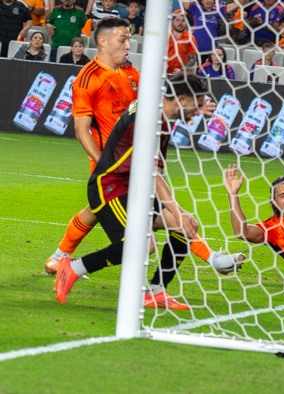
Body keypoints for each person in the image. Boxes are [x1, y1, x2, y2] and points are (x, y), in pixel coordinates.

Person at [54, 74, 246, 308]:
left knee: (183, 227)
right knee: (145, 244)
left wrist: (178, 212)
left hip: (134, 186)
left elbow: (153, 171)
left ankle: (156, 291)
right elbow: (151, 171)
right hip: (110, 187)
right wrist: (176, 208)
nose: (198, 113)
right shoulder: (151, 121)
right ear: (181, 99)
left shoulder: (160, 112)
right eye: (196, 105)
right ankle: (72, 267)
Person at [44, 17, 139, 275]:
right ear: (103, 41)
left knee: (97, 211)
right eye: (123, 39)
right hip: (109, 163)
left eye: (129, 39)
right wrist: (102, 162)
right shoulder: (87, 78)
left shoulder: (131, 73)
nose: (129, 44)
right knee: (151, 215)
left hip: (134, 158)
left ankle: (60, 256)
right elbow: (80, 129)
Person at [166, 9, 197, 74]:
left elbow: (193, 59)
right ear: (172, 21)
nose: (180, 23)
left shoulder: (190, 38)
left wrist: (181, 70)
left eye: (183, 21)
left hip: (182, 75)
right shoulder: (165, 35)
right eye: (177, 20)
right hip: (163, 72)